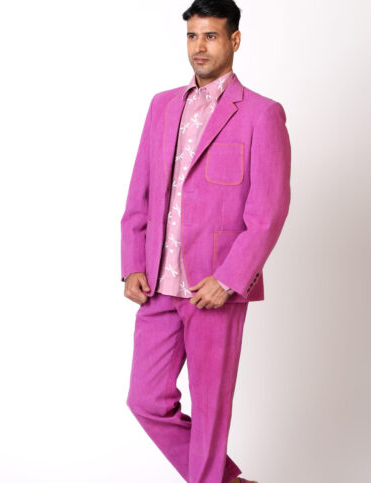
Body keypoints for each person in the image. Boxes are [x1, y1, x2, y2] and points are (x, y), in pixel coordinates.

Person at [120, 1, 291, 481]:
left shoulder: (261, 114)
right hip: (157, 283)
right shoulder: (162, 106)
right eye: (193, 36)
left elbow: (268, 211)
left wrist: (230, 279)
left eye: (211, 36)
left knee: (211, 410)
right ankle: (226, 479)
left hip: (213, 287)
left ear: (234, 40)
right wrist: (133, 263)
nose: (200, 47)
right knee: (145, 399)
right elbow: (140, 192)